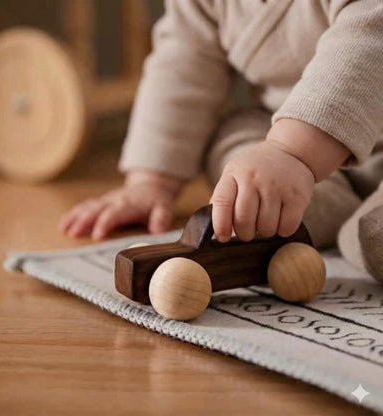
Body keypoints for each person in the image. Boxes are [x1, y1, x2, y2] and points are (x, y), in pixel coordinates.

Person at [60, 0, 383, 282]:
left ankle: (348, 218)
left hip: (349, 141)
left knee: (368, 240)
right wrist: (150, 180)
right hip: (279, 140)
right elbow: (183, 65)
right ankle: (303, 204)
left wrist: (293, 150)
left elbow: (368, 39)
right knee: (233, 140)